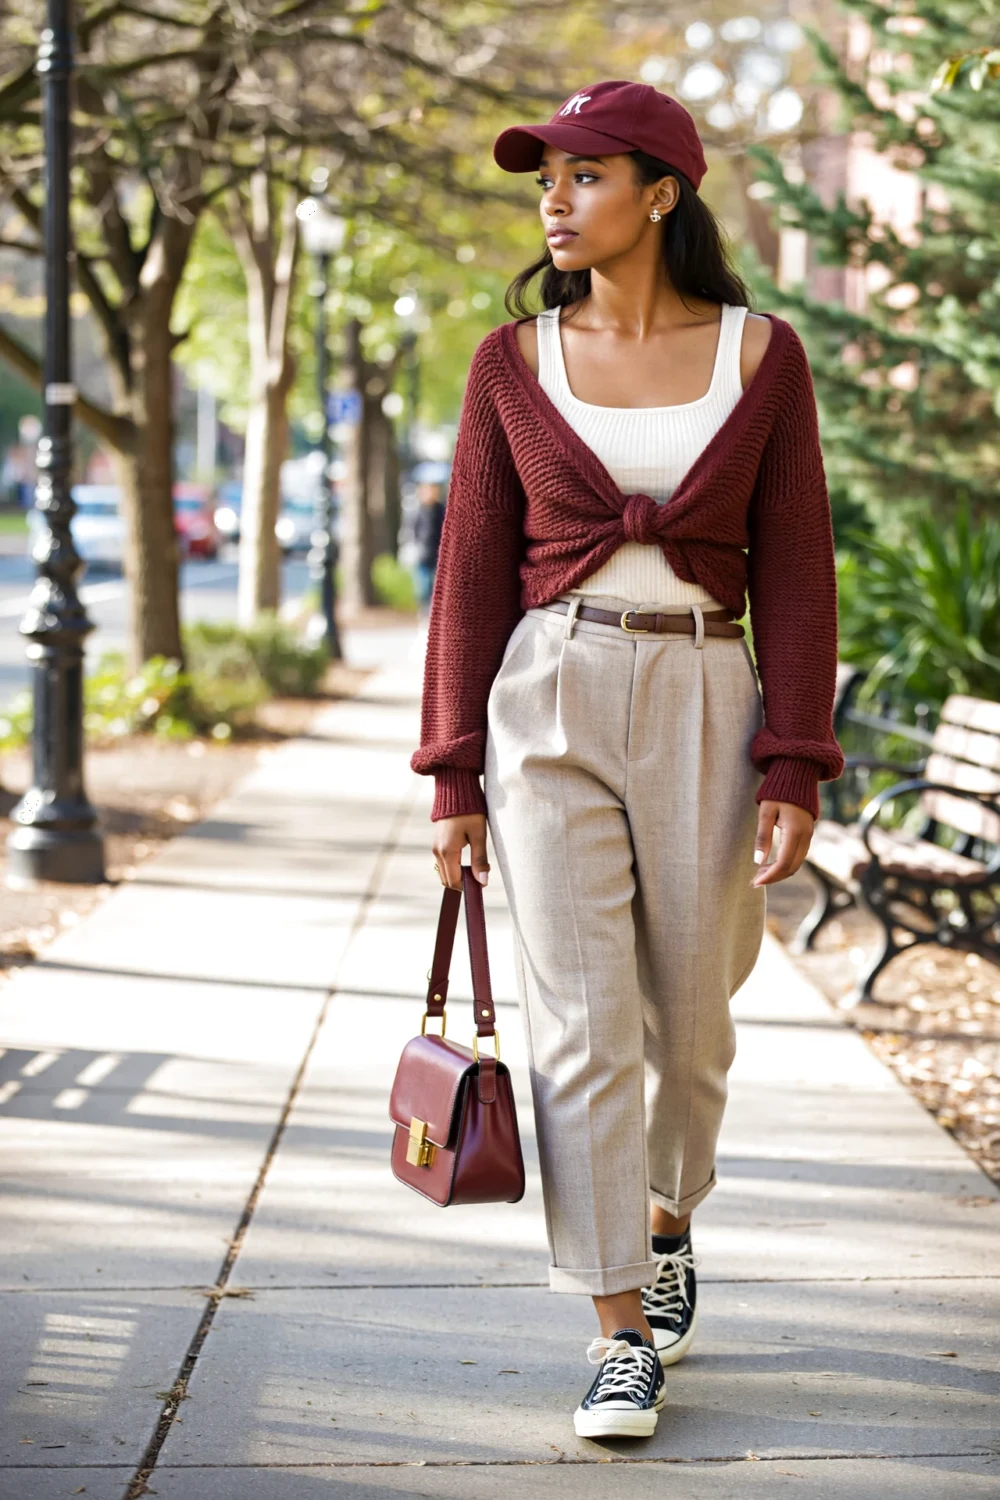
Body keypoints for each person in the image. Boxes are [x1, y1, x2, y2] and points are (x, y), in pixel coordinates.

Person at [410, 79, 844, 1441]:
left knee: (693, 1022)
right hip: (551, 691)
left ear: (662, 194)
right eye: (545, 177)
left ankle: (666, 1219)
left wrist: (795, 759)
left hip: (709, 684)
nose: (554, 198)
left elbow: (798, 561)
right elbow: (469, 572)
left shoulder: (763, 359)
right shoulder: (509, 363)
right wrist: (454, 773)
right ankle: (615, 1331)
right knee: (584, 1025)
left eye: (585, 174)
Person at [410, 477, 446, 617]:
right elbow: (415, 530)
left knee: (436, 585)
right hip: (423, 554)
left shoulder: (441, 510)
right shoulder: (420, 510)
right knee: (423, 586)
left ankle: (434, 611)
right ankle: (424, 611)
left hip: (437, 554)